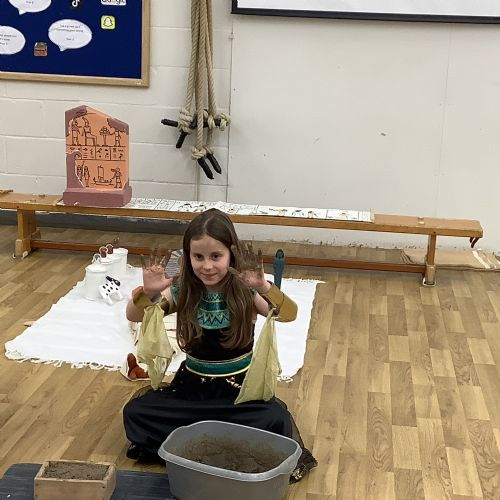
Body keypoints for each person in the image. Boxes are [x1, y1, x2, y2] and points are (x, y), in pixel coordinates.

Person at [123, 208, 317, 482]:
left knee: (276, 419)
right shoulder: (182, 290)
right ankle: (220, 440)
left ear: (231, 255)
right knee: (136, 412)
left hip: (239, 393)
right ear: (188, 256)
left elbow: (289, 315)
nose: (207, 266)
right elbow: (133, 316)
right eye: (198, 257)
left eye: (216, 256)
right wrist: (149, 292)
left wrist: (263, 286)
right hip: (192, 390)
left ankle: (200, 441)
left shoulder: (246, 291)